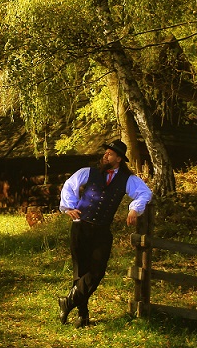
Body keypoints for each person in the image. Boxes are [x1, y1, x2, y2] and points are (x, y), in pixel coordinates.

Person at [57, 139, 152, 328]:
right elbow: (69, 185)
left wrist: (134, 209)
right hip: (80, 226)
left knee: (97, 272)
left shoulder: (128, 179)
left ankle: (67, 302)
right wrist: (69, 207)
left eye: (110, 153)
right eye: (106, 152)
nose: (105, 155)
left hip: (102, 231)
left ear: (118, 158)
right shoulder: (88, 172)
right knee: (81, 272)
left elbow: (145, 193)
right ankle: (83, 317)